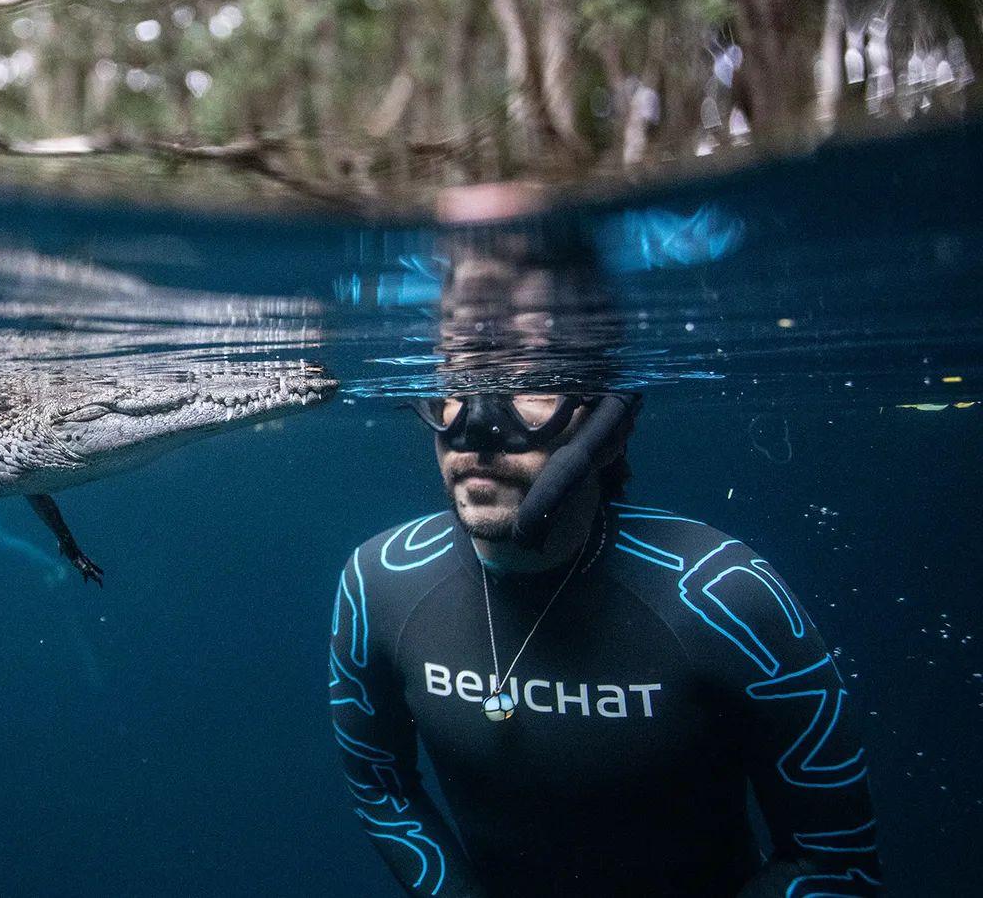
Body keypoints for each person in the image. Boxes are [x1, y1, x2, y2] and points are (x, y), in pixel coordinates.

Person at [329, 202, 880, 897]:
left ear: (611, 427)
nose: (476, 424)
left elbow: (839, 865)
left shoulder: (725, 597)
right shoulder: (378, 584)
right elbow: (383, 792)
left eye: (531, 378)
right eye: (457, 377)